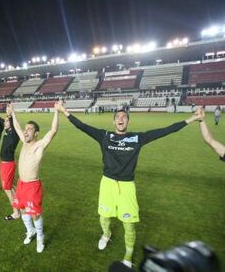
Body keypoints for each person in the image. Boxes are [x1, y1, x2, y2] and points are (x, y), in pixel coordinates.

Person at [56, 103, 202, 267]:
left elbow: (167, 130)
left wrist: (191, 119)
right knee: (104, 217)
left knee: (129, 225)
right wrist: (64, 111)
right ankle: (106, 234)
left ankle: (128, 256)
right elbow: (81, 126)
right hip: (107, 183)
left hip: (127, 186)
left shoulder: (137, 138)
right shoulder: (104, 136)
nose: (121, 118)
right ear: (113, 122)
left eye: (124, 116)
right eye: (118, 116)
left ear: (128, 122)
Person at [8, 102, 59, 253]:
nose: (26, 131)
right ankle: (31, 231)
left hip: (32, 185)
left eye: (30, 129)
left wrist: (56, 111)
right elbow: (17, 126)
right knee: (23, 210)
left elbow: (53, 130)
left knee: (35, 214)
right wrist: (13, 113)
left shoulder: (39, 145)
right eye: (26, 128)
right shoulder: (24, 142)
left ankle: (40, 237)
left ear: (36, 133)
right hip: (21, 184)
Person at [0, 105, 21, 221]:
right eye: (5, 122)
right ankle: (21, 204)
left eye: (7, 121)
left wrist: (10, 114)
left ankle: (16, 212)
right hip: (5, 163)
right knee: (11, 187)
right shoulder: (7, 132)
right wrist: (6, 115)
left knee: (7, 189)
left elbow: (13, 124)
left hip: (8, 164)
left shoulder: (14, 133)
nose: (5, 123)